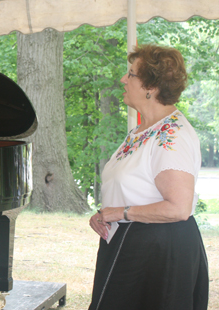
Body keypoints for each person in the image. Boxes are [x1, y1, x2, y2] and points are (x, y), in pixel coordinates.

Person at [88, 44, 209, 310]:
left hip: (158, 252)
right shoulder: (143, 130)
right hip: (132, 244)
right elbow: (131, 187)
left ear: (150, 88)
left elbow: (178, 208)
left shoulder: (171, 136)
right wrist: (105, 213)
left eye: (130, 74)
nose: (123, 79)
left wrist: (120, 212)